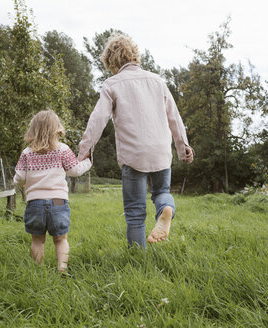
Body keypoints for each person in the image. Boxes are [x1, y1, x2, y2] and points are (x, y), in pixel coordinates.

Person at [78, 34, 194, 248]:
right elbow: (174, 117)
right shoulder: (157, 81)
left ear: (110, 61)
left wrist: (85, 150)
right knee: (162, 192)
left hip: (133, 156)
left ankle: (137, 259)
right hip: (160, 152)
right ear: (134, 54)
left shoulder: (111, 84)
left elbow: (97, 120)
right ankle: (165, 210)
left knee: (135, 212)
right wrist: (183, 147)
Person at [14, 110, 91, 272]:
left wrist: (22, 183)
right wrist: (88, 162)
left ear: (33, 130)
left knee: (37, 240)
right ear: (57, 129)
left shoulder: (26, 153)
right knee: (61, 239)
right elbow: (74, 170)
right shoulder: (62, 149)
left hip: (35, 204)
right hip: (58, 202)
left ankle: (39, 270)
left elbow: (19, 178)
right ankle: (62, 267)